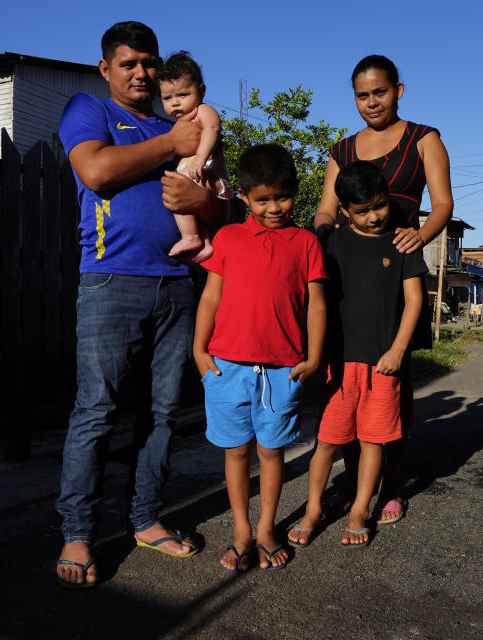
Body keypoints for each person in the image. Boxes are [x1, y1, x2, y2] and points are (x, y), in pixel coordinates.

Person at [54, 21, 228, 588]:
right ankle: (79, 530)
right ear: (107, 69)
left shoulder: (181, 122)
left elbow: (221, 212)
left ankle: (144, 517)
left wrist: (202, 197)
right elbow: (97, 171)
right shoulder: (92, 111)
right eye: (128, 63)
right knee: (97, 410)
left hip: (177, 280)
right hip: (111, 280)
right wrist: (172, 145)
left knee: (161, 412)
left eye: (149, 63)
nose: (141, 73)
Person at [313, 54, 454, 526]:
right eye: (362, 95)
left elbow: (443, 204)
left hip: (398, 272)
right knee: (344, 385)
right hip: (349, 276)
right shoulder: (343, 149)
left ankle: (390, 487)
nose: (372, 102)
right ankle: (355, 487)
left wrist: (422, 234)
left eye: (380, 92)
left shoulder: (423, 139)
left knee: (393, 387)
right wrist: (325, 241)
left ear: (398, 89)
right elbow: (324, 212)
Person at [193, 144, 326, 572]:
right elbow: (211, 296)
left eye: (282, 197)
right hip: (226, 367)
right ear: (244, 197)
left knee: (271, 453)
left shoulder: (305, 243)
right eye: (263, 199)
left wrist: (314, 356)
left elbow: (318, 305)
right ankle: (241, 532)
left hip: (282, 370)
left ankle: (267, 529)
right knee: (235, 453)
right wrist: (199, 348)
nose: (274, 208)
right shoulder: (228, 238)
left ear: (294, 192)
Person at [289, 161, 426, 548]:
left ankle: (358, 511)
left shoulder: (402, 242)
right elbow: (312, 300)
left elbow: (414, 301)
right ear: (344, 209)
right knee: (327, 442)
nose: (373, 216)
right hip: (337, 364)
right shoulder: (328, 243)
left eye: (379, 206)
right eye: (362, 210)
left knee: (372, 442)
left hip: (383, 365)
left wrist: (398, 350)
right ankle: (313, 510)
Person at [156, 51, 232, 264]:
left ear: (201, 91)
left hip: (208, 172)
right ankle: (203, 241)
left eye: (182, 95)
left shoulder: (203, 111)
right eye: (168, 98)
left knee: (177, 191)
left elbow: (212, 130)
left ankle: (190, 237)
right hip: (201, 175)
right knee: (183, 196)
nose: (175, 103)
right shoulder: (180, 124)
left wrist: (199, 158)